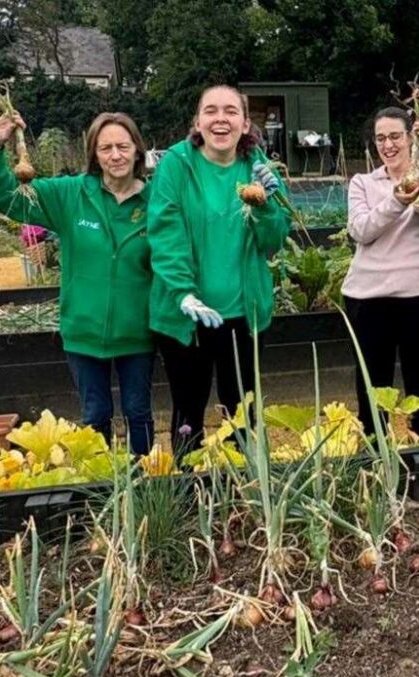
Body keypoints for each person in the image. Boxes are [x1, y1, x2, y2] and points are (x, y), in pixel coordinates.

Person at [0, 111, 156, 455]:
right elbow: (9, 197)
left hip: (138, 333)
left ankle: (146, 485)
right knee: (96, 414)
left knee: (138, 412)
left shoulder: (156, 202)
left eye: (122, 146)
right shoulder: (70, 195)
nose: (115, 155)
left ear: (137, 150)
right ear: (94, 154)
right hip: (84, 333)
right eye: (105, 148)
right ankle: (101, 487)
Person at [148, 85, 291, 460]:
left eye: (231, 111)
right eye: (211, 111)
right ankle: (187, 492)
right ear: (198, 121)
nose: (220, 119)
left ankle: (241, 497)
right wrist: (182, 291)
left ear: (245, 123)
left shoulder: (258, 167)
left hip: (242, 313)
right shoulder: (177, 165)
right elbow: (165, 232)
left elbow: (274, 240)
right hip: (186, 314)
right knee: (187, 412)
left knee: (241, 413)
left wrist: (267, 206)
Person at [344, 107, 419, 437]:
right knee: (372, 386)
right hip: (369, 298)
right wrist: (397, 200)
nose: (387, 145)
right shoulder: (362, 182)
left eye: (395, 137)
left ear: (410, 139)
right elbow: (361, 230)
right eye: (380, 138)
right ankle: (376, 459)